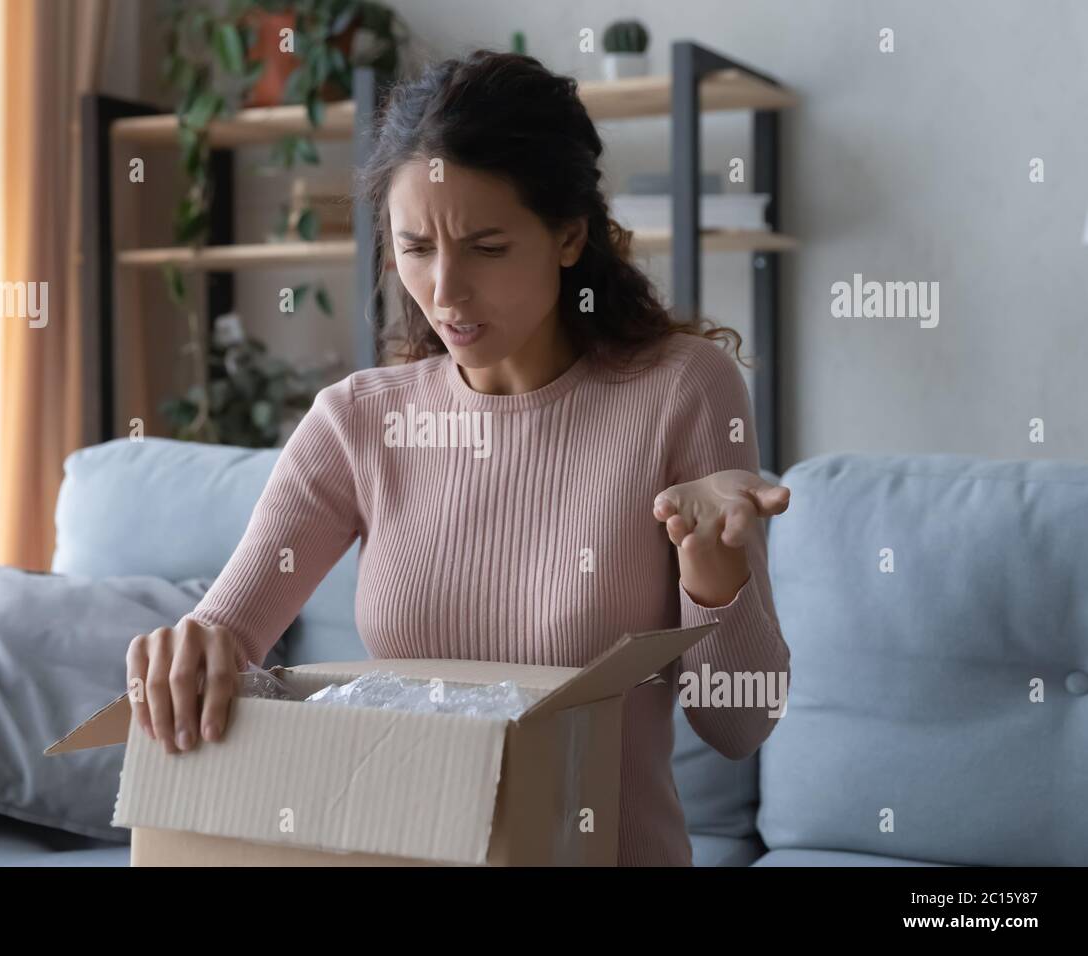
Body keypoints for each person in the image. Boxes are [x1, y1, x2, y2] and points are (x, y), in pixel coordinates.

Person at [125, 49, 791, 866]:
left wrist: (713, 577)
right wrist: (189, 649)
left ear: (569, 236)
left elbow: (739, 727)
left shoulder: (683, 391)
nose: (444, 292)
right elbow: (225, 640)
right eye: (416, 248)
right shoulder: (358, 422)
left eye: (485, 247)